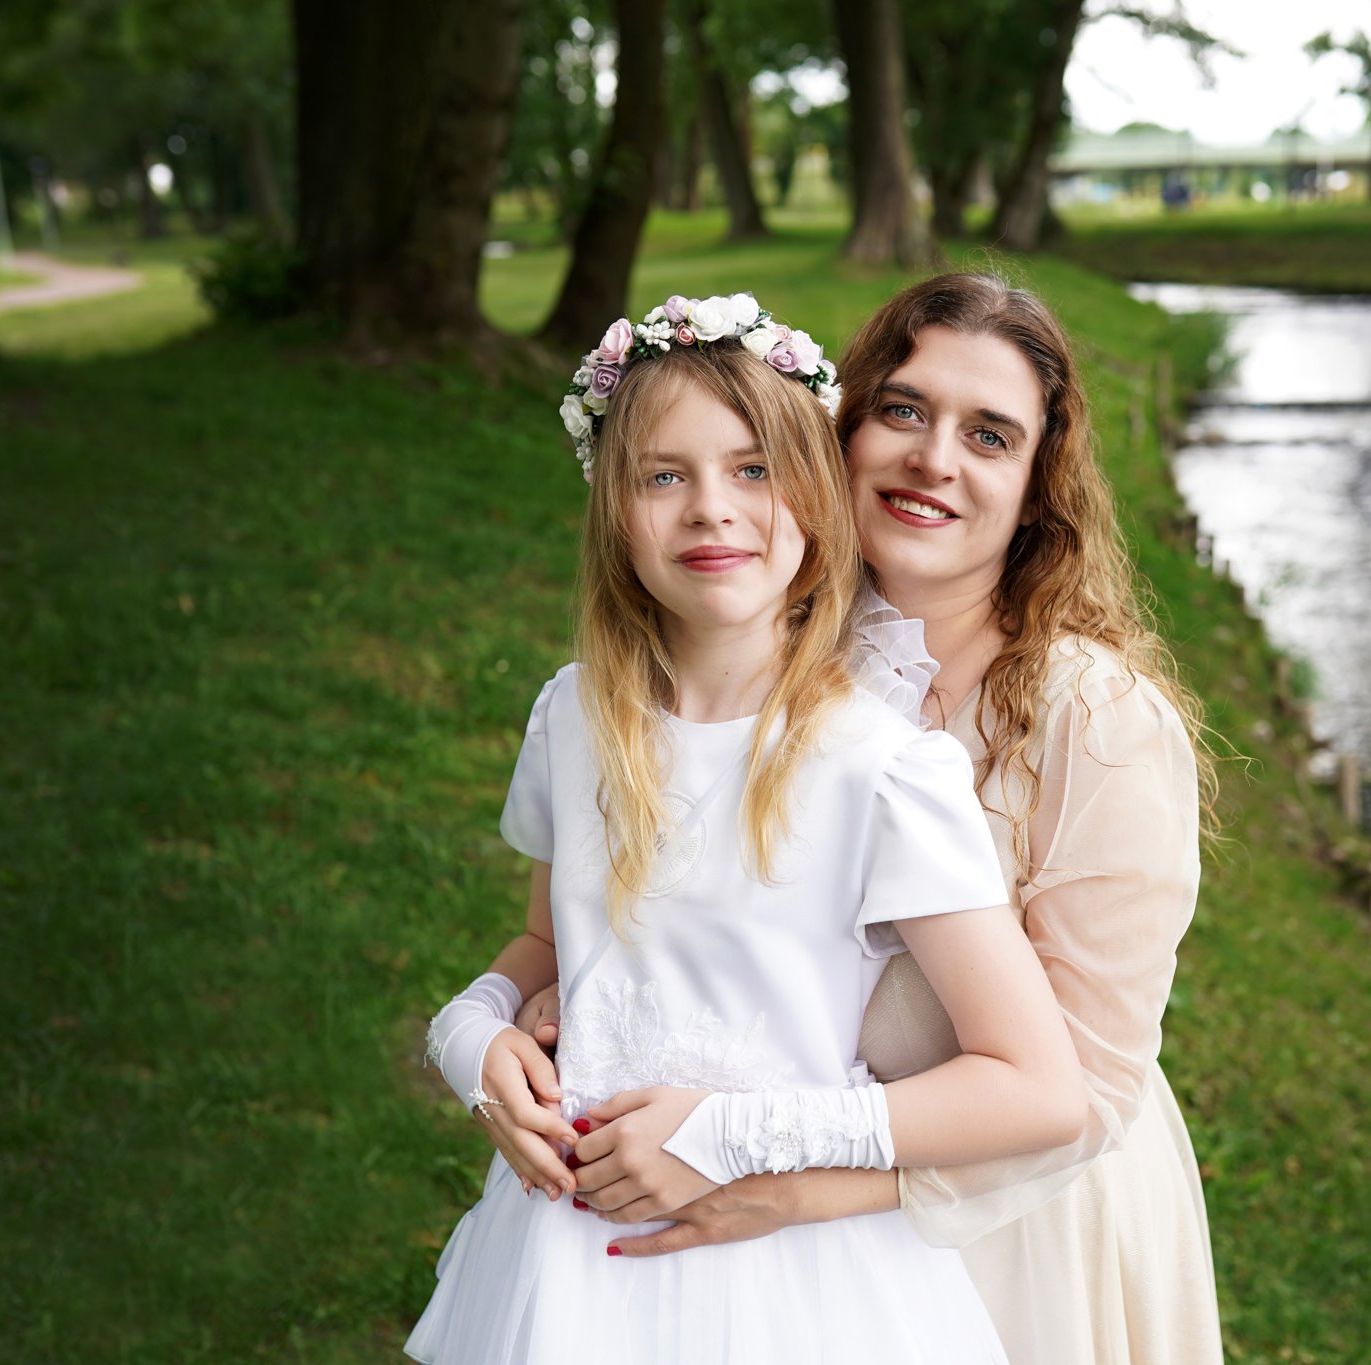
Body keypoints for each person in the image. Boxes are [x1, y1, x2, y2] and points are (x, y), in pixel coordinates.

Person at [407, 294, 1086, 1365]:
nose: (710, 510)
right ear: (613, 509)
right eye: (662, 477)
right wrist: (471, 1033)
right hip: (564, 1252)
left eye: (753, 469)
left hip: (784, 1275)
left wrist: (728, 1132)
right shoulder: (573, 718)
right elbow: (547, 947)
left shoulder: (883, 768)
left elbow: (1036, 1086)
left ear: (814, 496)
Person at [567, 274, 1223, 1365]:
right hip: (761, 1232)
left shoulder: (1096, 719)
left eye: (989, 436)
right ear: (842, 433)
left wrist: (794, 1190)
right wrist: (524, 1017)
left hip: (1011, 1226)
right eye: (905, 411)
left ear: (1035, 489)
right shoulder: (762, 651)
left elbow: (1092, 1086)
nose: (934, 460)